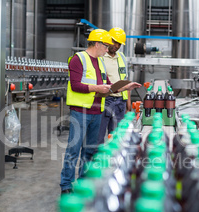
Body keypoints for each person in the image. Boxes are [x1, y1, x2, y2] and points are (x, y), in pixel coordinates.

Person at [60, 29, 140, 194]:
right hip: (81, 111)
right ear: (97, 44)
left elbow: (109, 84)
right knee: (74, 149)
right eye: (105, 45)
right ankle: (66, 184)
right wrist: (96, 87)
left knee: (90, 148)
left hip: (97, 111)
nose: (107, 49)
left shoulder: (100, 61)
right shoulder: (78, 59)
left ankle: (83, 181)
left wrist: (126, 87)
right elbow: (75, 85)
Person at [98, 27, 132, 144]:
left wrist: (128, 102)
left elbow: (125, 80)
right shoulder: (100, 56)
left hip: (120, 102)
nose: (117, 46)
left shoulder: (121, 57)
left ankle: (114, 161)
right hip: (105, 99)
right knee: (99, 134)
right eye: (115, 42)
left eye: (119, 44)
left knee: (117, 136)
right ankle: (99, 159)